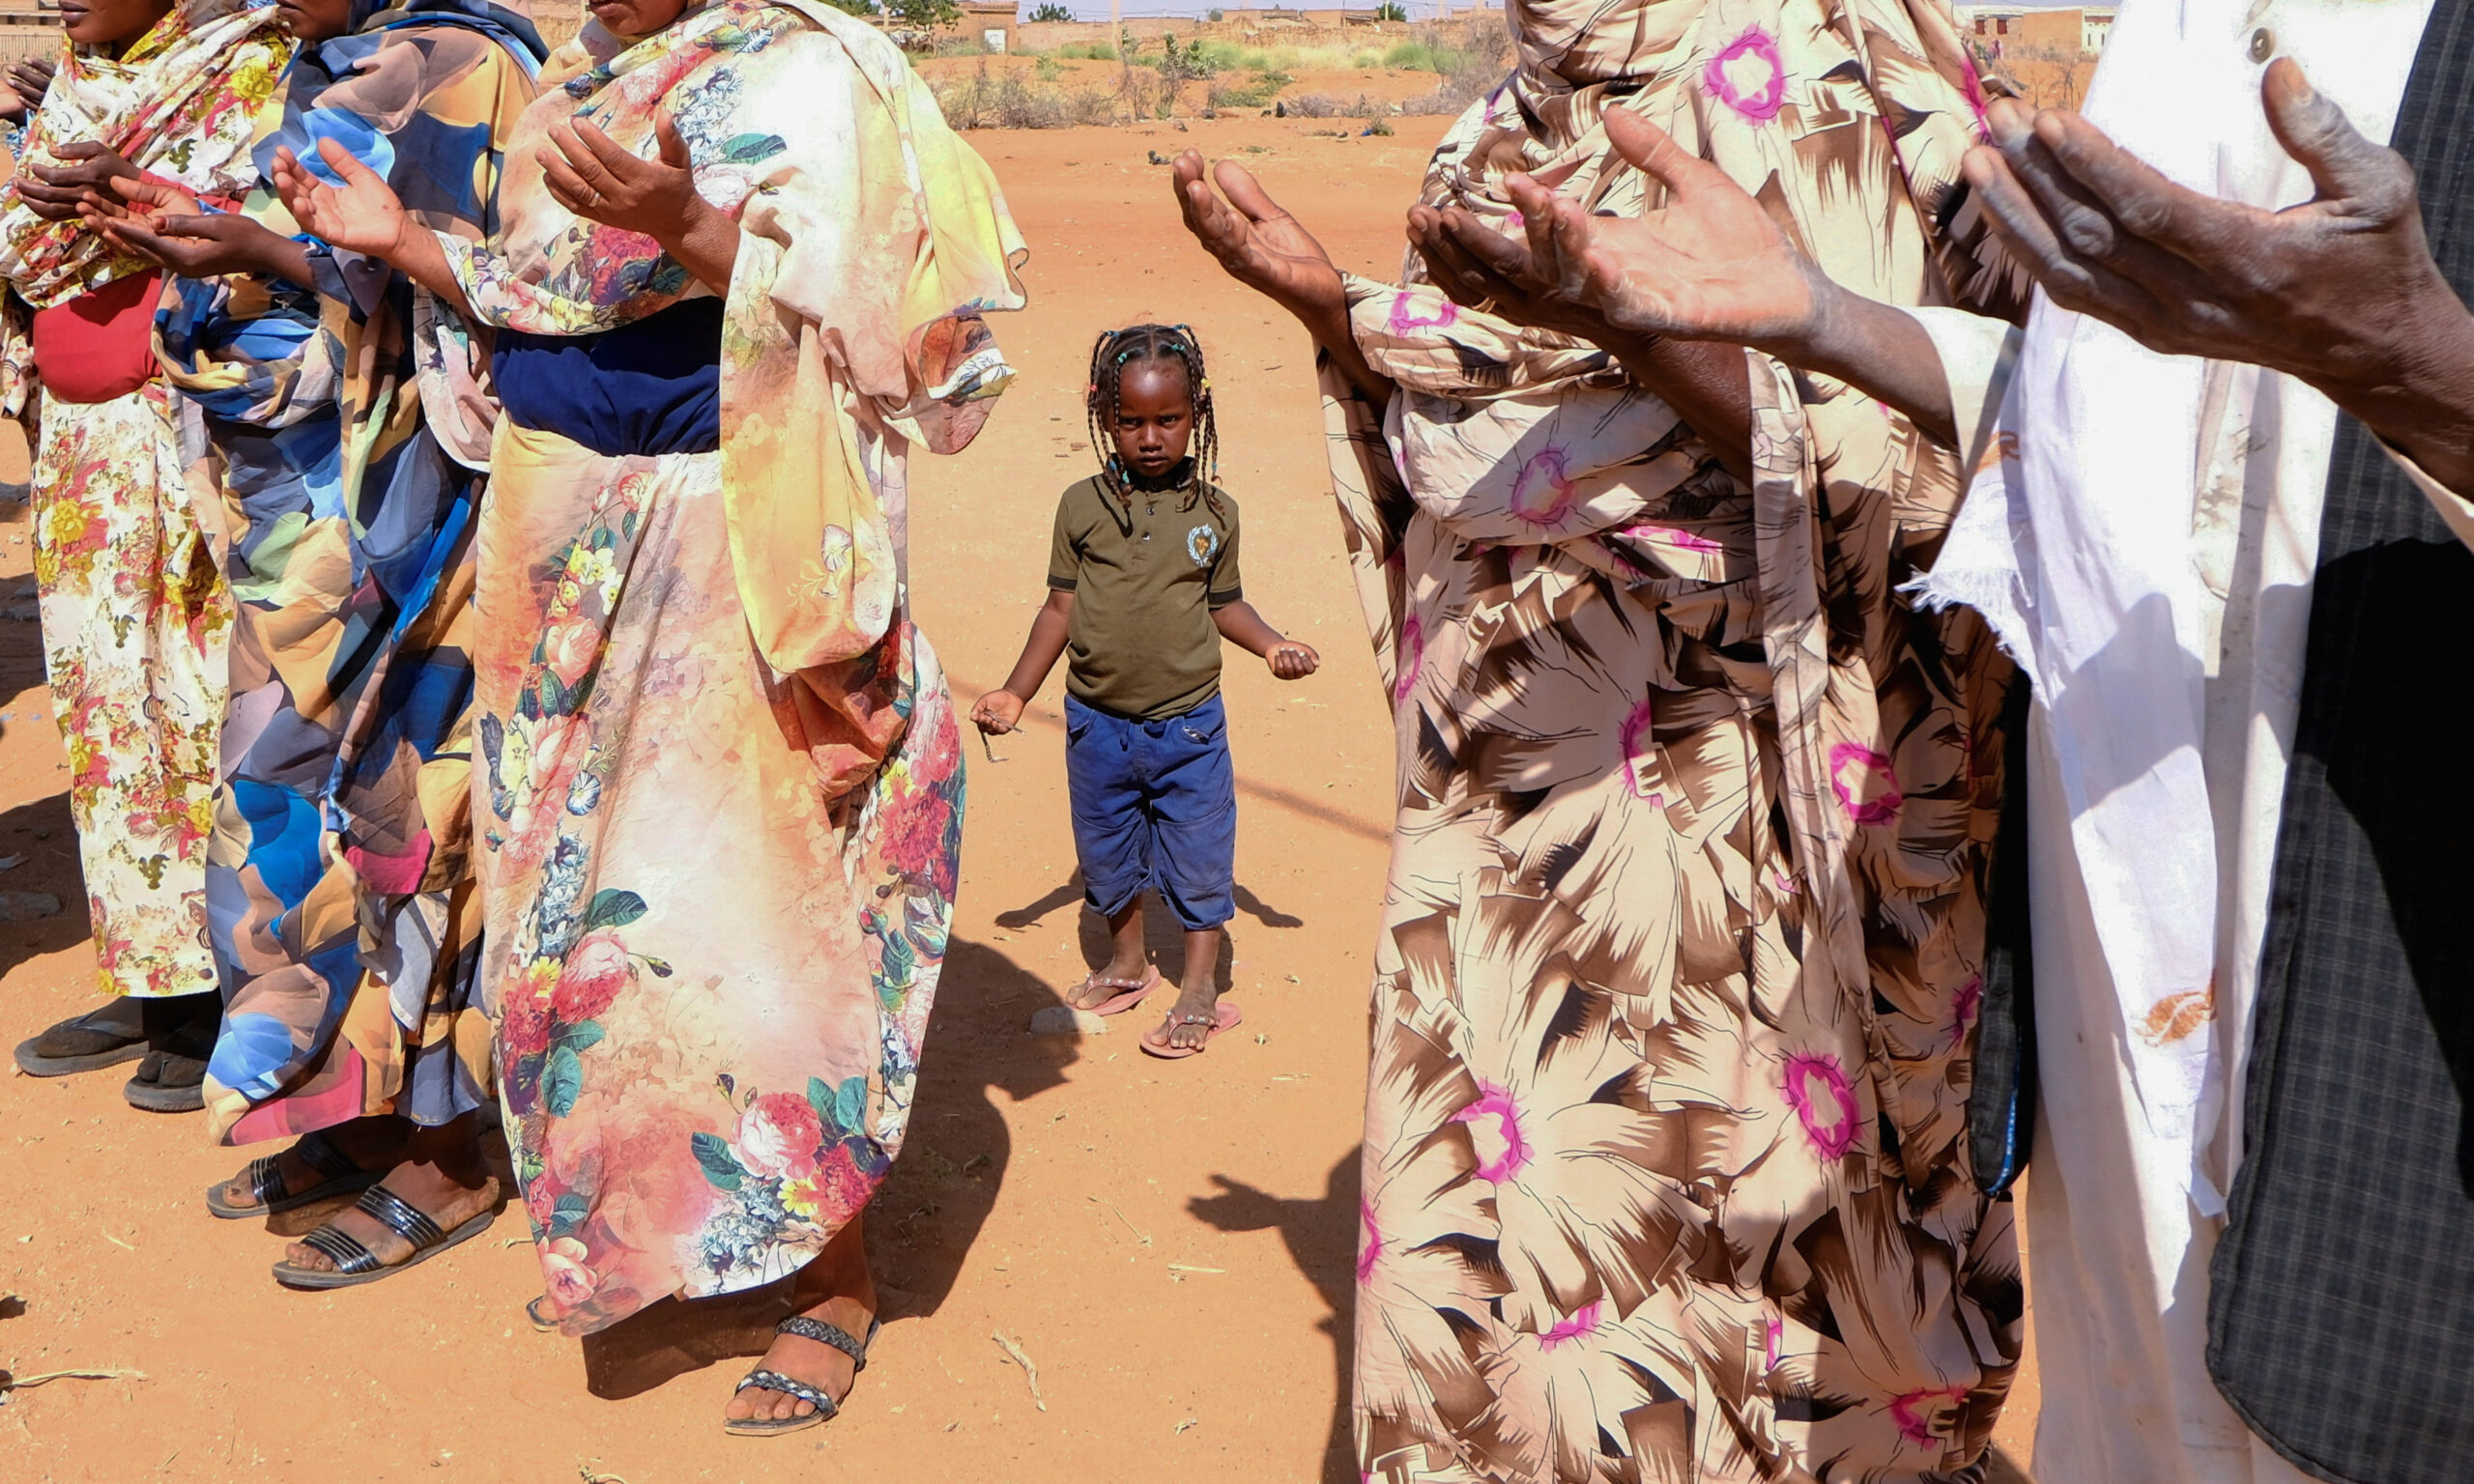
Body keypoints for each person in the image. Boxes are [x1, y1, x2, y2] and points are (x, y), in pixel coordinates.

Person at [1426, 8, 2474, 1480]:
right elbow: (2111, 439)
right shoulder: (2167, 33)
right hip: (2122, 1011)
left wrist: (2422, 364)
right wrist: (1817, 315)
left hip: (2380, 1014)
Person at [1173, 0, 2035, 1474]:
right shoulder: (1500, 123)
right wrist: (1335, 310)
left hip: (1734, 850)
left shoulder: (1830, 90)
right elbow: (1476, 446)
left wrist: (1617, 325)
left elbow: (1929, 479)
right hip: (1499, 847)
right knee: (1510, 1258)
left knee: (1737, 1275)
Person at [272, 0, 1023, 1433]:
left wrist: (690, 223)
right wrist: (403, 241)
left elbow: (881, 328)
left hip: (718, 538)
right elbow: (539, 296)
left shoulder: (811, 72)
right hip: (552, 535)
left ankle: (831, 1281)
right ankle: (646, 1221)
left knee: (759, 907)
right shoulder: (587, 81)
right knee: (577, 919)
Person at [84, 0, 545, 1280]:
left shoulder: (464, 67)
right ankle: (354, 1105)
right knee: (283, 812)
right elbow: (330, 269)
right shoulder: (323, 61)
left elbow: (492, 299)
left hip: (416, 532)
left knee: (419, 823)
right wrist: (217, 236)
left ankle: (448, 1150)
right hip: (297, 531)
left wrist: (258, 249)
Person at [0, 0, 292, 1112]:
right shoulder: (81, 80)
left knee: (200, 697)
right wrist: (91, 220)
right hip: (81, 446)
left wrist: (109, 212)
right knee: (106, 711)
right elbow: (27, 255)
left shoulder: (245, 71)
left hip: (191, 439)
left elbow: (237, 239)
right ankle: (153, 980)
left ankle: (231, 988)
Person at [968, 324, 1320, 1058]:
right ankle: (1128, 963)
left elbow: (1226, 605)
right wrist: (1014, 692)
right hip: (1095, 724)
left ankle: (1200, 988)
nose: (1151, 438)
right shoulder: (1080, 507)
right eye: (1131, 421)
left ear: (1197, 414)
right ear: (1105, 415)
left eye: (1168, 419)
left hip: (1188, 727)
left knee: (1198, 854)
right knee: (1105, 851)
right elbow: (1059, 609)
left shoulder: (1216, 514)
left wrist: (1273, 644)